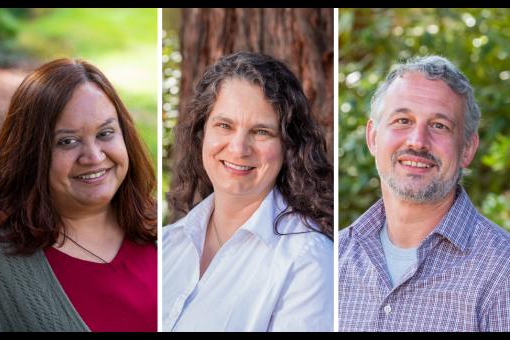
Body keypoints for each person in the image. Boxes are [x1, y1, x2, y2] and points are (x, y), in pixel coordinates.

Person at [162, 51, 334, 332]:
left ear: (288, 146)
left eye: (261, 132)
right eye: (224, 125)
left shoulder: (307, 261)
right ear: (202, 132)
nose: (239, 148)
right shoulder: (169, 243)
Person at [339, 55, 510, 331]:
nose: (417, 141)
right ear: (372, 137)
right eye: (403, 120)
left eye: (439, 126)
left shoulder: (503, 273)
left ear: (467, 148)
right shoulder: (334, 258)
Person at [0, 59, 157, 332]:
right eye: (67, 141)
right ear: (31, 154)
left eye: (105, 133)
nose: (94, 156)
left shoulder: (169, 230)